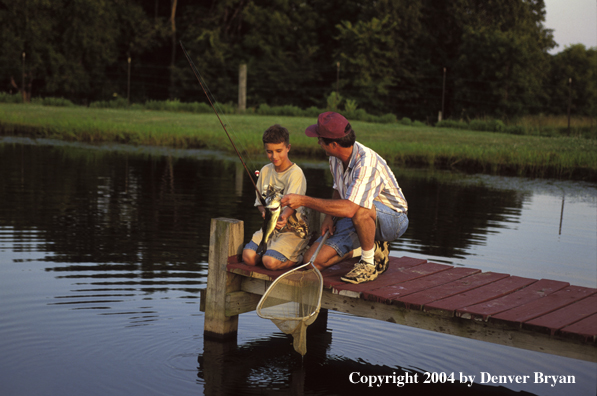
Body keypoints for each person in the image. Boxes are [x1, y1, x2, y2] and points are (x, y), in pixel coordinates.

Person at [281, 112, 408, 284]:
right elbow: (339, 189)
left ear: (333, 144)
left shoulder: (366, 163)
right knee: (312, 261)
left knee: (361, 208)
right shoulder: (335, 157)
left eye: (320, 139)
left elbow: (350, 208)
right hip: (357, 218)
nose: (318, 142)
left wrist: (303, 200)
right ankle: (368, 249)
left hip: (393, 219)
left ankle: (368, 264)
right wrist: (328, 218)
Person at [242, 124, 310, 270]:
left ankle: (299, 256)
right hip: (269, 227)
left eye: (279, 151)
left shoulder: (295, 173)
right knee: (248, 257)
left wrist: (283, 217)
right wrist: (262, 211)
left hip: (292, 230)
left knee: (269, 262)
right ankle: (272, 250)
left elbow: (293, 205)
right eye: (269, 152)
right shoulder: (265, 170)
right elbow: (260, 202)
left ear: (288, 148)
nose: (274, 156)